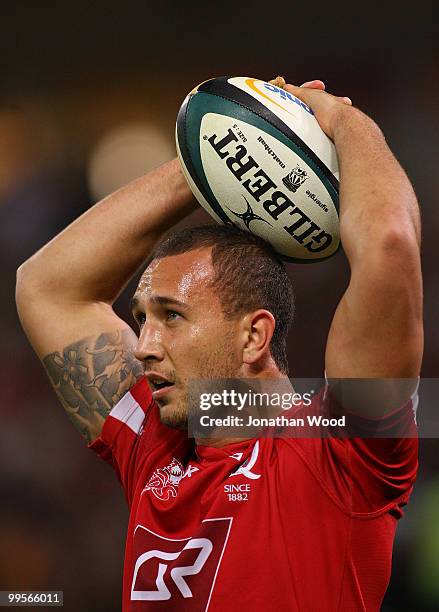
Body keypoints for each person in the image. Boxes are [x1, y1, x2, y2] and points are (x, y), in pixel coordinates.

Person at [16, 79, 423, 611]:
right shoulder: (154, 446)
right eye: (141, 319)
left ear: (253, 335)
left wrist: (343, 122)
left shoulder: (342, 452)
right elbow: (47, 285)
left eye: (172, 316)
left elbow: (390, 247)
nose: (143, 346)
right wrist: (217, 154)